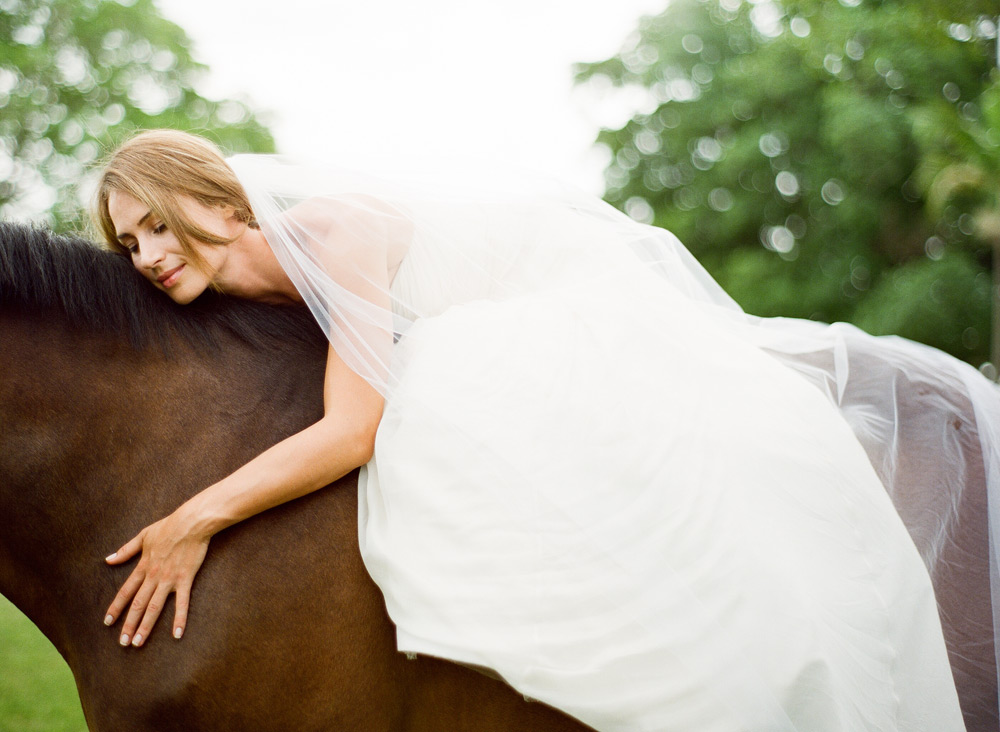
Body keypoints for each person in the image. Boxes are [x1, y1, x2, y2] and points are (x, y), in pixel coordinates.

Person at [91, 128, 996, 732]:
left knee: (449, 412)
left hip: (545, 309)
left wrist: (193, 518)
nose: (148, 257)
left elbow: (353, 428)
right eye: (129, 246)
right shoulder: (238, 293)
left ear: (208, 196)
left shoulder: (329, 235)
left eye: (155, 225)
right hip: (471, 335)